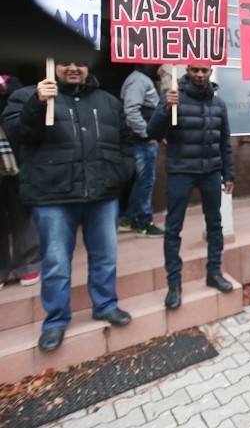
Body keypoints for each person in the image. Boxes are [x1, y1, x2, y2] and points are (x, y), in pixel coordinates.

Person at [3, 59, 135, 352]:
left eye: (80, 62)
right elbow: (18, 135)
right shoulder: (27, 96)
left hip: (102, 194)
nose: (73, 67)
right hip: (53, 197)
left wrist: (121, 173)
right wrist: (38, 103)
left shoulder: (109, 101)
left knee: (105, 257)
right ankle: (56, 321)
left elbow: (126, 142)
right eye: (64, 62)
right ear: (51, 64)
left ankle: (105, 305)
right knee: (56, 263)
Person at [146, 65, 236, 311]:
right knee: (173, 228)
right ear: (187, 69)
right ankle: (173, 284)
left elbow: (224, 141)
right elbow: (151, 132)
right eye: (195, 70)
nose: (199, 74)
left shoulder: (219, 104)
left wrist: (229, 173)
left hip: (211, 172)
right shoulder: (173, 97)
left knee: (215, 225)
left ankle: (214, 272)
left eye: (204, 70)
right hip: (180, 172)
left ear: (210, 72)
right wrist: (166, 108)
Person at [0, 71, 40, 290]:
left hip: (12, 156)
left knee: (22, 210)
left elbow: (24, 103)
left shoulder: (11, 81)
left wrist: (4, 88)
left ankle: (28, 264)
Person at [118, 64, 165, 237]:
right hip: (141, 141)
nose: (163, 70)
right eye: (161, 66)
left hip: (144, 139)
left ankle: (130, 218)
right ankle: (144, 222)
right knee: (145, 182)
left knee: (142, 181)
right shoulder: (139, 80)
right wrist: (147, 134)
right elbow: (131, 110)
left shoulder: (143, 80)